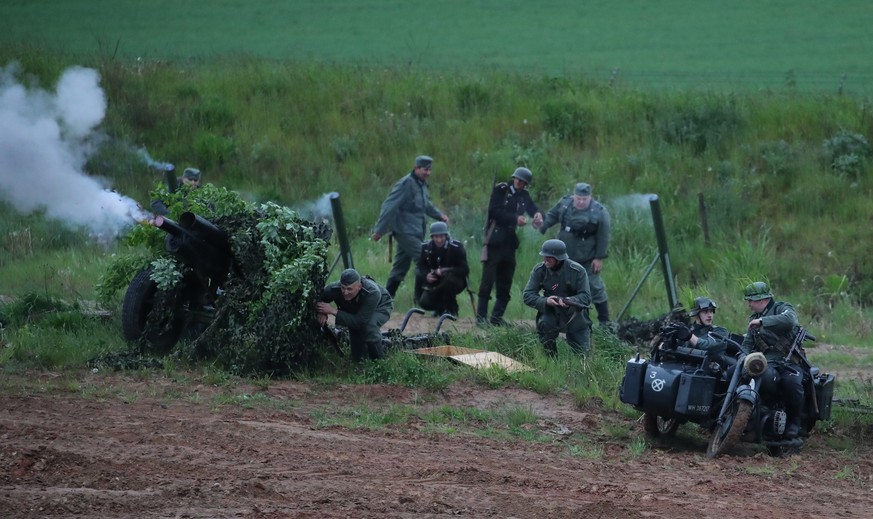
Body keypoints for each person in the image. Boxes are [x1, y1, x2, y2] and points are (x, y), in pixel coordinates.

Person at [372, 156, 449, 298]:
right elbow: (389, 206)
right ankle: (422, 300)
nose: (428, 173)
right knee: (425, 258)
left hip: (416, 231)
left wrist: (440, 215)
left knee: (400, 268)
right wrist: (379, 230)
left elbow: (426, 205)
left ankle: (384, 300)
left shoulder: (422, 185)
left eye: (430, 170)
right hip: (404, 231)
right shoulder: (406, 184)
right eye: (425, 169)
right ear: (417, 168)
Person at [476, 167, 544, 326]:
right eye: (518, 179)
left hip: (509, 245)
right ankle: (481, 319)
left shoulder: (524, 195)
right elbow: (494, 212)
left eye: (522, 181)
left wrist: (538, 215)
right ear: (514, 178)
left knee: (505, 282)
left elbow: (533, 209)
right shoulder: (502, 190)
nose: (519, 183)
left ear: (526, 183)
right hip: (494, 242)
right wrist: (515, 219)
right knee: (487, 281)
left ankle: (496, 318)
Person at [538, 182, 612, 326]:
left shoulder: (599, 212)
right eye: (578, 198)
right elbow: (551, 216)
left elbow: (604, 236)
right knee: (558, 287)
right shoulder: (565, 204)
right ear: (574, 196)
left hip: (586, 258)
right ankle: (558, 320)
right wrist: (542, 225)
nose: (581, 202)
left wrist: (599, 257)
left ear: (590, 197)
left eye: (584, 199)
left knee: (595, 287)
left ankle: (605, 322)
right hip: (563, 258)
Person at [740, 281, 806, 439]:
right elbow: (747, 344)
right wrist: (743, 358)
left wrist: (763, 322)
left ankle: (795, 421)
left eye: (751, 300)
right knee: (751, 377)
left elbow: (790, 320)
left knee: (792, 384)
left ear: (762, 300)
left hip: (789, 363)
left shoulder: (783, 308)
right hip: (767, 363)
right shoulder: (754, 317)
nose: (749, 304)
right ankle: (749, 417)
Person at [522, 239, 591, 356]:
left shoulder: (578, 271)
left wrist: (570, 300)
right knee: (545, 324)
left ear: (559, 258)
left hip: (574, 312)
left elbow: (586, 297)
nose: (545, 260)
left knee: (581, 352)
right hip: (551, 311)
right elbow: (527, 295)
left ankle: (582, 367)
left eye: (549, 257)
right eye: (544, 256)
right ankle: (551, 360)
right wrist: (545, 301)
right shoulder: (540, 270)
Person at [316, 268, 393, 362]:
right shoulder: (334, 288)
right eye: (343, 288)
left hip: (380, 306)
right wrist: (322, 311)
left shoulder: (372, 293)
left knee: (369, 325)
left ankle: (379, 363)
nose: (345, 292)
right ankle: (366, 354)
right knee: (357, 359)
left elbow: (359, 321)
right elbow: (319, 296)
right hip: (356, 309)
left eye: (349, 289)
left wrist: (333, 311)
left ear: (359, 286)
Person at [414, 221, 469, 317]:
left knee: (449, 280)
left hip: (455, 280)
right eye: (436, 237)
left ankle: (451, 310)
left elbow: (464, 269)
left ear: (446, 236)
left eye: (441, 237)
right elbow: (421, 266)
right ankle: (440, 309)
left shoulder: (456, 247)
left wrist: (446, 270)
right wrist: (426, 275)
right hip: (437, 280)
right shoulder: (426, 247)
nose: (439, 240)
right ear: (432, 237)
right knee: (425, 302)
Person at [664, 297, 731, 354]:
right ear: (696, 314)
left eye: (711, 311)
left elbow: (708, 347)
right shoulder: (688, 330)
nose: (710, 315)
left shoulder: (720, 331)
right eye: (705, 312)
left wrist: (689, 336)